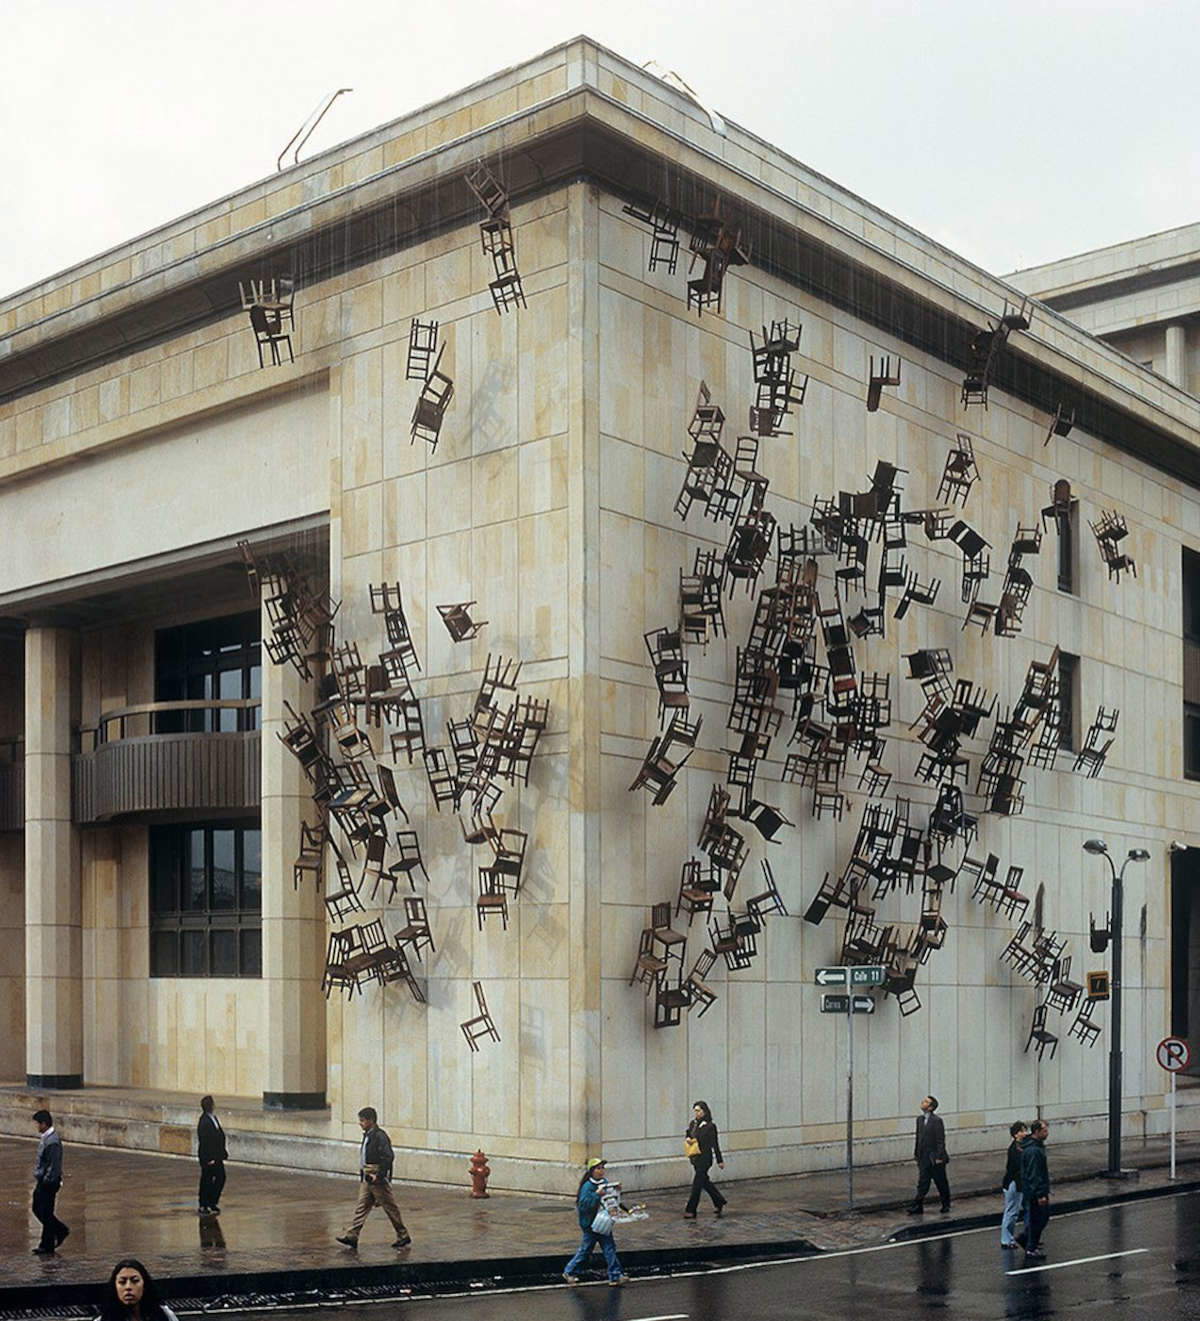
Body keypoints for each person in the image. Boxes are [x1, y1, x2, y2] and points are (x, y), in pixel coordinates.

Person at [336, 1107, 411, 1249]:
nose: (360, 1123)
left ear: (371, 1121)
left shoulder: (379, 1136)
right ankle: (353, 1235)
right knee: (362, 1207)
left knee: (389, 1207)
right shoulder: (368, 1135)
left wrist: (379, 1175)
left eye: (362, 1120)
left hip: (376, 1178)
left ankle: (403, 1234)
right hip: (367, 1177)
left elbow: (388, 1157)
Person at [562, 1158, 628, 1287]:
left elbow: (611, 1200)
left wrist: (617, 1191)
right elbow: (584, 1205)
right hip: (591, 1224)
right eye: (598, 1168)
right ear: (592, 1171)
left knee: (609, 1249)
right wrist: (596, 1195)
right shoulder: (588, 1186)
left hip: (604, 1222)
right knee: (586, 1250)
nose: (601, 1171)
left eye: (602, 1168)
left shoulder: (605, 1183)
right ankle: (569, 1271)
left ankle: (615, 1275)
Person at [31, 1109, 68, 1255]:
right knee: (40, 1210)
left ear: (44, 1124)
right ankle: (55, 1235)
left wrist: (47, 1180)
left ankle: (51, 1240)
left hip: (48, 1183)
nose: (37, 1127)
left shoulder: (52, 1141)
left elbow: (54, 1164)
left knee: (45, 1211)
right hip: (43, 1180)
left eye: (38, 1124)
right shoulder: (46, 1137)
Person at [907, 1094, 951, 1214]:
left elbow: (940, 1140)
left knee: (941, 1182)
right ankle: (918, 1206)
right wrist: (916, 1154)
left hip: (935, 1158)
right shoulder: (919, 1120)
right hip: (923, 1157)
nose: (923, 1103)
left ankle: (946, 1204)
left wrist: (939, 1157)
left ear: (931, 1107)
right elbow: (918, 1137)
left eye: (926, 1102)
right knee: (923, 1182)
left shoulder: (937, 1121)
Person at [96, 1258, 180, 1321]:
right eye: (122, 1282)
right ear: (115, 1287)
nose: (128, 1287)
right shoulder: (103, 1319)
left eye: (135, 1281)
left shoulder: (165, 1315)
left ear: (144, 1285)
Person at [683, 1100, 727, 1218]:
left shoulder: (710, 1126)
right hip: (695, 1157)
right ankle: (719, 1201)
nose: (696, 1113)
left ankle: (691, 1209)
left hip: (705, 1158)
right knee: (705, 1182)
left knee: (697, 1184)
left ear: (704, 1111)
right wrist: (688, 1138)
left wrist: (719, 1160)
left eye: (698, 1110)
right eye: (695, 1111)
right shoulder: (693, 1124)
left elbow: (715, 1144)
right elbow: (688, 1133)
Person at [1019, 1119, 1051, 1259]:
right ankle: (1030, 1246)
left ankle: (1027, 1240)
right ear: (1037, 1132)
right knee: (1039, 1219)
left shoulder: (1035, 1147)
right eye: (1044, 1130)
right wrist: (1040, 1194)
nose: (1047, 1133)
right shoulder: (1033, 1150)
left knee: (1039, 1218)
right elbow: (1034, 1173)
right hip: (1034, 1192)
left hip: (1032, 1190)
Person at [196, 1096, 227, 1216]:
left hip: (217, 1155)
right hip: (209, 1157)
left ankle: (212, 1201)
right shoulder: (204, 1121)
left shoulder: (213, 1118)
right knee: (206, 1180)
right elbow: (205, 1141)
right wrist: (209, 1158)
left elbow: (219, 1136)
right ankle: (204, 1204)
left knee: (220, 1178)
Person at [1000, 1120, 1027, 1248]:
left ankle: (1008, 1238)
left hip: (1014, 1183)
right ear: (1015, 1134)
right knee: (1011, 1211)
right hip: (1013, 1183)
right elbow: (1016, 1168)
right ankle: (1006, 1240)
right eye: (1021, 1131)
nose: (1024, 1133)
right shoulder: (1015, 1149)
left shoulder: (1019, 1147)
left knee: (1013, 1211)